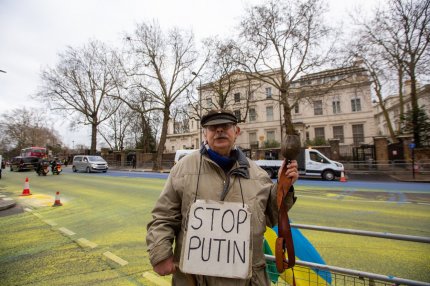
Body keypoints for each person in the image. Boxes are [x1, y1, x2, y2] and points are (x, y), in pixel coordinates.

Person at [146, 109, 298, 285]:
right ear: (205, 134)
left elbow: (271, 216)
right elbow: (163, 217)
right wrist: (160, 254)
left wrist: (283, 186)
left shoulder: (258, 175)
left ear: (237, 132)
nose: (219, 130)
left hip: (248, 280)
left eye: (225, 126)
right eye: (212, 127)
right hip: (194, 280)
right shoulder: (182, 170)